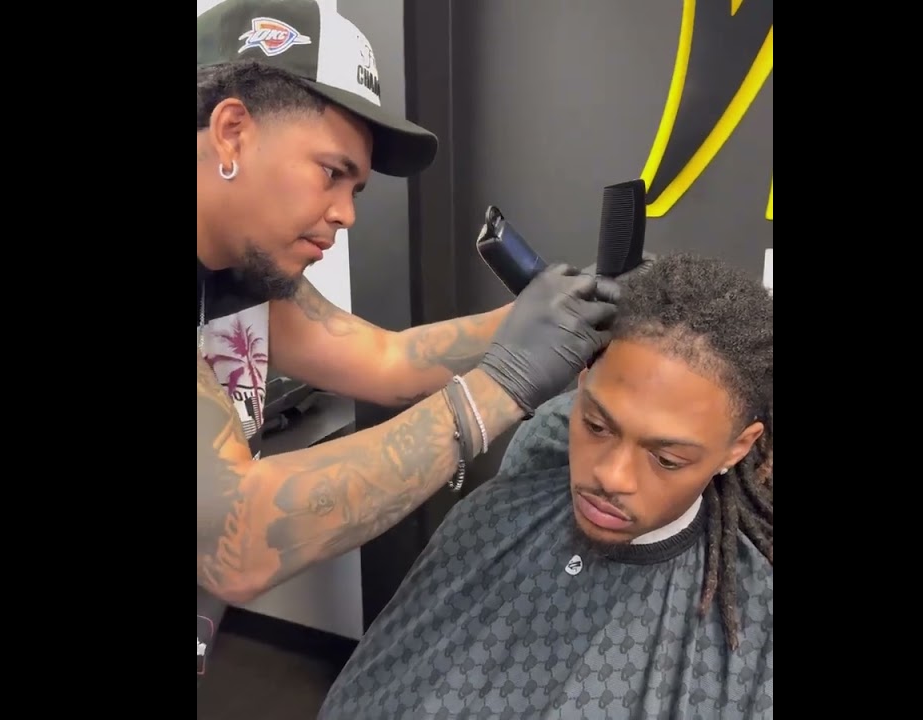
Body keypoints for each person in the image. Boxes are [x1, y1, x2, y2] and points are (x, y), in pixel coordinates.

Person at [196, 0, 629, 685]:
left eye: (356, 188)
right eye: (331, 172)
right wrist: (500, 387)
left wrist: (555, 311)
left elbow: (386, 360)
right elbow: (236, 536)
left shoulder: (239, 271)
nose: (345, 214)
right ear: (232, 132)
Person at [317, 253, 774, 720]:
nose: (611, 476)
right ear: (582, 384)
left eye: (666, 459)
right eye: (596, 425)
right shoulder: (493, 514)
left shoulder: (757, 621)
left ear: (737, 447)